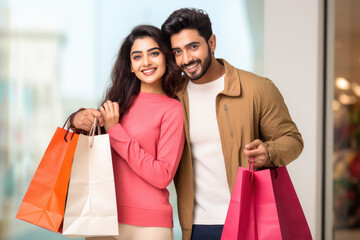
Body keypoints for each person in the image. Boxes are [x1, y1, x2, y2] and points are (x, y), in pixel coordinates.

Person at [160, 8, 304, 240]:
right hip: (196, 226)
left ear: (212, 42)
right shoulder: (174, 96)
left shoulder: (258, 88)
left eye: (193, 47)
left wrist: (268, 152)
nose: (186, 59)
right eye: (178, 51)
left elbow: (293, 140)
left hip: (249, 220)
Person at [72, 25, 185, 240]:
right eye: (137, 56)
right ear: (131, 66)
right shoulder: (117, 104)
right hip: (103, 218)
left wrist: (115, 130)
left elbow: (162, 175)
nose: (146, 62)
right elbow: (91, 150)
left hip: (150, 226)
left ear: (165, 58)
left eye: (154, 53)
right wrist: (77, 118)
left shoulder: (172, 109)